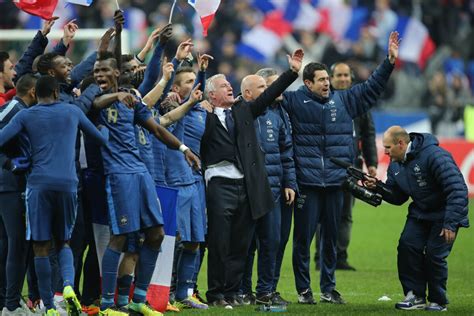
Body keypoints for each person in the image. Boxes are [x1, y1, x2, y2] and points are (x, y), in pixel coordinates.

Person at [281, 31, 399, 305]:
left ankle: (328, 288)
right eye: (321, 80)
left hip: (336, 182)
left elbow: (371, 88)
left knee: (331, 240)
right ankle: (304, 290)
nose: (327, 84)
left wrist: (389, 62)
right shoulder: (294, 101)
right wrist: (288, 73)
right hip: (307, 183)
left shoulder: (344, 100)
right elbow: (268, 97)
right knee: (303, 240)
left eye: (327, 79)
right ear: (308, 83)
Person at [92, 52, 200, 316]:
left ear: (116, 73)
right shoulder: (96, 96)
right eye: (97, 72)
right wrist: (115, 94)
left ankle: (138, 300)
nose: (99, 76)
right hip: (119, 175)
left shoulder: (132, 101)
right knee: (120, 237)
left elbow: (157, 129)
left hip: (141, 174)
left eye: (105, 71)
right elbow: (94, 104)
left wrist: (184, 148)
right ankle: (108, 304)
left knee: (156, 234)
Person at [201, 48, 303, 308]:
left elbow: (267, 94)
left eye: (229, 84)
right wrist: (200, 81)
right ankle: (215, 294)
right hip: (218, 185)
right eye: (224, 86)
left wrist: (292, 72)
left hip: (243, 186)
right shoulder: (203, 114)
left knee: (240, 244)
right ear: (211, 94)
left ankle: (233, 292)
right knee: (220, 242)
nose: (229, 88)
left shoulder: (242, 112)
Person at [0, 75, 108, 316]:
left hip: (38, 185)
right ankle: (68, 286)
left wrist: (10, 163)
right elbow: (100, 139)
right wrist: (104, 132)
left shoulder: (26, 115)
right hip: (69, 184)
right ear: (57, 94)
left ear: (35, 95)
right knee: (64, 242)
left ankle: (48, 306)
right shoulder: (72, 111)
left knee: (40, 246)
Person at [365, 126, 469, 312]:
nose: (385, 152)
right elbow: (398, 197)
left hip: (444, 214)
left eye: (388, 147)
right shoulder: (395, 164)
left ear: (401, 144)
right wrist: (379, 187)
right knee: (407, 246)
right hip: (420, 213)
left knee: (434, 256)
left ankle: (438, 301)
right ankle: (415, 296)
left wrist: (451, 222)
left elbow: (457, 189)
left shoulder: (435, 156)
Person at [314, 62, 378, 271]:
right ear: (331, 79)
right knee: (324, 214)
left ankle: (339, 257)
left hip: (351, 166)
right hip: (326, 167)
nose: (342, 79)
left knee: (345, 214)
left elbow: (367, 134)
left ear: (351, 78)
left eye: (345, 75)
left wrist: (373, 163)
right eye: (338, 75)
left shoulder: (358, 102)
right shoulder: (321, 100)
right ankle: (321, 256)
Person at [239, 74, 296, 306]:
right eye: (262, 87)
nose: (267, 90)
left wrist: (290, 183)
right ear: (247, 93)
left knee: (271, 242)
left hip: (273, 190)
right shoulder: (240, 115)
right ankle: (243, 290)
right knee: (247, 244)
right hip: (248, 191)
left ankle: (265, 290)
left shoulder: (276, 118)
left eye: (267, 86)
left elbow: (286, 153)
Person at [0, 73, 37, 315]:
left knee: (7, 245)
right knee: (17, 245)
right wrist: (9, 164)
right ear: (33, 91)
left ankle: (7, 300)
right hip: (9, 186)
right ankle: (11, 305)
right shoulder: (14, 108)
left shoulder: (18, 108)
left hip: (10, 185)